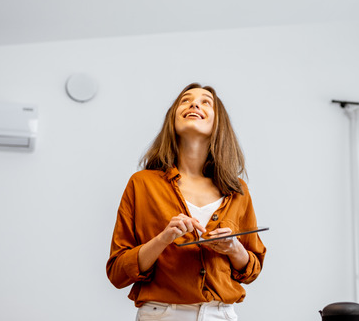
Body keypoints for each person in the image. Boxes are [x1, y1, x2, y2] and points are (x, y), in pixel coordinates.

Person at [107, 83, 266, 321]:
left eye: (205, 102)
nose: (194, 104)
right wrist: (163, 239)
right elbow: (118, 273)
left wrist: (234, 248)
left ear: (218, 122)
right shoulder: (142, 184)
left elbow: (251, 270)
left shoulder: (237, 190)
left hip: (220, 316)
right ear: (172, 119)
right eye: (185, 100)